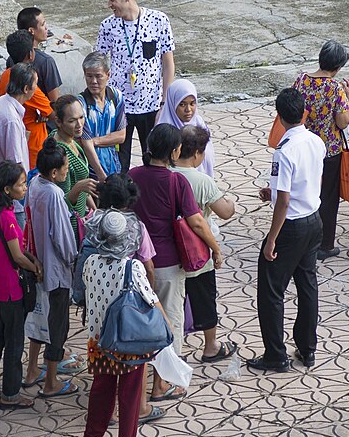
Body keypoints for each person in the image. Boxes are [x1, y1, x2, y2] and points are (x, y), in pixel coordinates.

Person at [129, 124, 221, 394]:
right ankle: (161, 384)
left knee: (142, 319)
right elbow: (197, 222)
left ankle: (140, 380)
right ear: (174, 151)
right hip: (168, 263)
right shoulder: (175, 182)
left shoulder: (133, 175)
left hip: (137, 261)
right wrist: (215, 248)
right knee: (170, 320)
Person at [81, 210, 167, 437]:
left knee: (101, 389)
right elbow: (151, 299)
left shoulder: (90, 262)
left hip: (98, 340)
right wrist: (167, 327)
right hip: (127, 342)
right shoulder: (133, 267)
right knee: (129, 397)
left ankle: (93, 436)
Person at [248, 88, 323, 373]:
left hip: (291, 225)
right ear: (304, 112)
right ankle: (307, 348)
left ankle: (275, 355)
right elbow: (307, 180)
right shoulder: (316, 141)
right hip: (314, 220)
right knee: (307, 286)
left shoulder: (284, 149)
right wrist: (275, 193)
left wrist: (272, 239)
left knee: (271, 290)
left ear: (279, 117)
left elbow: (286, 201)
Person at [96, 0, 175, 169]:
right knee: (120, 161)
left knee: (155, 158)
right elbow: (98, 62)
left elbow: (168, 64)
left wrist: (165, 102)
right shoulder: (108, 26)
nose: (109, 4)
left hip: (151, 105)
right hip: (119, 106)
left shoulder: (158, 20)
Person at [174, 125, 236, 363]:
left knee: (174, 302)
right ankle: (210, 346)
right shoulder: (202, 181)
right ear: (198, 153)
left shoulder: (167, 174)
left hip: (169, 254)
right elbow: (225, 212)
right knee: (205, 297)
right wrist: (230, 201)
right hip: (197, 254)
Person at [0, 161, 39, 409]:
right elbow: (17, 256)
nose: (25, 188)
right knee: (14, 342)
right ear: (7, 190)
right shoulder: (7, 217)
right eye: (21, 184)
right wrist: (35, 267)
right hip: (10, 286)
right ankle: (11, 393)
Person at [25, 140, 81, 398]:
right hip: (56, 270)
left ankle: (32, 369)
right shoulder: (55, 194)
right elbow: (62, 237)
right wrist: (73, 259)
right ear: (55, 173)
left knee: (39, 319)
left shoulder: (34, 183)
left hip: (37, 262)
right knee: (57, 325)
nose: (68, 171)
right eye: (65, 168)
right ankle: (51, 382)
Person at [292, 40, 349, 259]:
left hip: (301, 147)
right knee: (327, 198)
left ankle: (301, 239)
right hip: (328, 150)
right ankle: (324, 244)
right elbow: (343, 121)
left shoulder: (301, 79)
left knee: (303, 193)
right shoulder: (335, 88)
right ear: (337, 67)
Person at [0, 31, 54, 169]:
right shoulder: (29, 86)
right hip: (32, 149)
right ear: (30, 54)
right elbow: (54, 115)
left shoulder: (5, 75)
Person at [0, 62, 36, 183]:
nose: (36, 88)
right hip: (7, 187)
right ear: (26, 89)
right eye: (35, 84)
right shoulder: (11, 120)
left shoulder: (2, 102)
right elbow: (15, 164)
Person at [49, 95, 98, 219]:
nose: (79, 124)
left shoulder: (69, 139)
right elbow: (61, 201)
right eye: (72, 121)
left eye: (81, 117)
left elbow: (84, 187)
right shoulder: (60, 154)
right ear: (58, 122)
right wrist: (79, 187)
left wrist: (96, 212)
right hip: (71, 221)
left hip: (81, 216)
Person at [79, 51, 125, 179]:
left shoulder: (116, 97)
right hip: (90, 170)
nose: (93, 81)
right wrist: (101, 175)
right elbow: (85, 144)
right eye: (89, 76)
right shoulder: (80, 104)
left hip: (114, 165)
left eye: (98, 76)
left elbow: (121, 136)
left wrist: (94, 141)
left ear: (108, 75)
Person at [156, 79, 214, 178]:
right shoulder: (163, 132)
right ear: (172, 103)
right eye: (182, 104)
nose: (188, 110)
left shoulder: (199, 124)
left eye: (192, 103)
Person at [16, 6, 65, 102]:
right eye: (42, 25)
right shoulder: (46, 61)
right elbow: (55, 100)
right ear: (31, 31)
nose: (46, 28)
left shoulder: (12, 57)